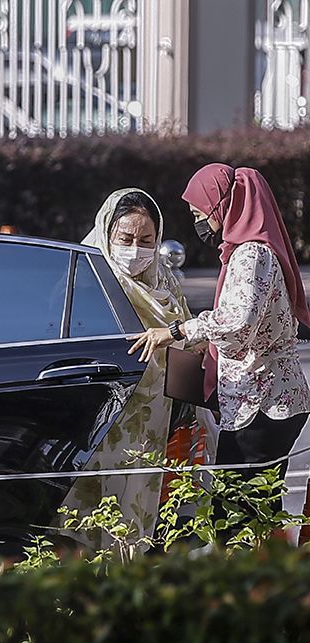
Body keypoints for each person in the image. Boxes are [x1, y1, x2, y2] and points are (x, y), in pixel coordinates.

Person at [129, 164, 310, 507]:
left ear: (223, 205)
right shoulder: (247, 252)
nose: (199, 222)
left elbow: (237, 323)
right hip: (267, 400)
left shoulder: (251, 255)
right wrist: (201, 344)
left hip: (261, 403)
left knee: (235, 515)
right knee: (256, 512)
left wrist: (176, 331)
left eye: (200, 213)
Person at [62, 188, 194, 546]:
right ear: (108, 233)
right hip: (100, 411)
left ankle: (126, 580)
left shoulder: (164, 280)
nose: (136, 249)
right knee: (89, 504)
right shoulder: (87, 277)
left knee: (136, 501)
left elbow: (187, 330)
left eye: (146, 239)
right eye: (126, 238)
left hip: (151, 414)